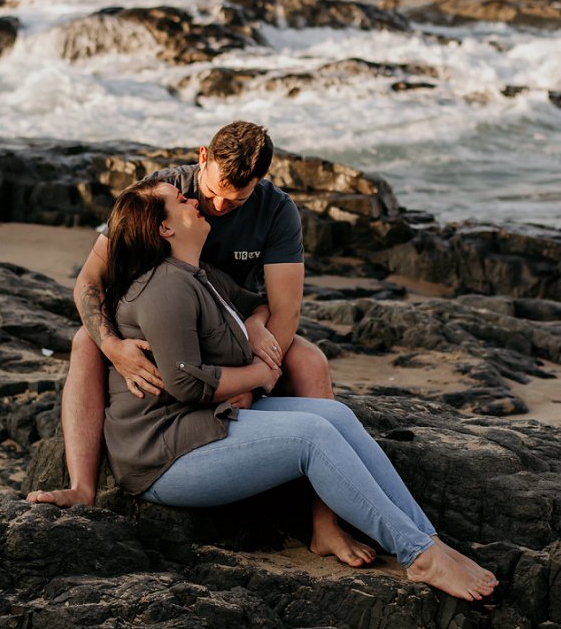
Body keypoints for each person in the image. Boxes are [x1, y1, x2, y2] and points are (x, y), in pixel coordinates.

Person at [97, 175, 498, 602]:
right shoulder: (164, 287)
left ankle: (426, 538)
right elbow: (186, 384)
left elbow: (258, 302)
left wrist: (253, 323)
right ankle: (417, 555)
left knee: (335, 415)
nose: (192, 200)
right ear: (165, 229)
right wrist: (260, 375)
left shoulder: (199, 274)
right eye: (180, 201)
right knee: (312, 436)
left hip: (201, 425)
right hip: (162, 456)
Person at [27, 121, 374, 567]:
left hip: (233, 332)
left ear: (261, 182)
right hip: (156, 327)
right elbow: (87, 283)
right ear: (202, 157)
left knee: (312, 363)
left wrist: (254, 365)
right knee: (84, 342)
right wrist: (115, 347)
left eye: (238, 199)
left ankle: (325, 524)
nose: (219, 205)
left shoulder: (277, 211)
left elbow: (286, 310)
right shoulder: (162, 193)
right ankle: (82, 487)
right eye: (214, 191)